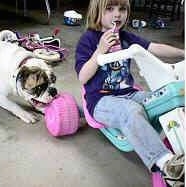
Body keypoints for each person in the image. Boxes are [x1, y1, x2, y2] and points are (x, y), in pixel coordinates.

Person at [75, 0, 185, 186]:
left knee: (165, 98)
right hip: (101, 99)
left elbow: (153, 48)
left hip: (130, 93)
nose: (117, 14)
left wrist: (183, 52)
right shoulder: (89, 39)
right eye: (110, 9)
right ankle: (167, 166)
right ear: (97, 12)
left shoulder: (126, 37)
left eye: (122, 9)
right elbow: (83, 77)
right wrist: (99, 51)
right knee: (131, 111)